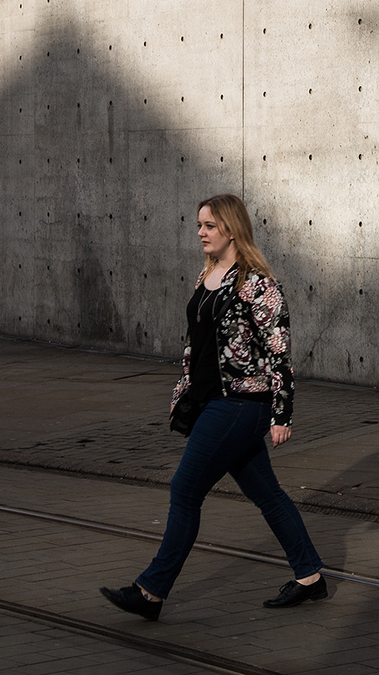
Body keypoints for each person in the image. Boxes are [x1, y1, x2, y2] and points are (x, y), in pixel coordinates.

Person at [101, 194, 325, 620]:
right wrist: (183, 393)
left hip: (242, 403)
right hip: (212, 402)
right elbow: (196, 346)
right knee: (267, 494)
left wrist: (282, 413)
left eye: (208, 226)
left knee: (184, 489)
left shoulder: (258, 283)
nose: (200, 233)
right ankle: (310, 576)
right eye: (199, 225)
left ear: (231, 228)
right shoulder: (207, 276)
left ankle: (150, 592)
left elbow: (279, 350)